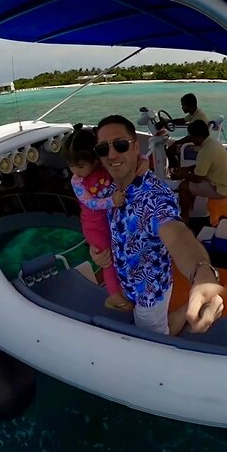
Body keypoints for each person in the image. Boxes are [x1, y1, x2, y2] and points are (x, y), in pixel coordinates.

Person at [89, 115, 224, 335]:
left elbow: (178, 236)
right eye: (103, 149)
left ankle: (177, 321)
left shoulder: (154, 197)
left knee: (156, 335)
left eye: (120, 145)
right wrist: (96, 251)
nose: (112, 154)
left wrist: (202, 275)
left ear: (135, 148)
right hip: (126, 283)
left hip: (149, 292)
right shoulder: (106, 191)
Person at [64, 125, 148, 312]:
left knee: (122, 254)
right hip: (95, 227)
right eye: (71, 166)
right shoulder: (77, 181)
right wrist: (112, 201)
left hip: (112, 222)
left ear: (94, 160)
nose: (75, 170)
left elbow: (130, 158)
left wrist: (143, 161)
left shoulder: (104, 166)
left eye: (79, 165)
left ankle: (125, 288)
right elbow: (90, 203)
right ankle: (114, 296)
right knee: (107, 260)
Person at [171, 119, 227, 222]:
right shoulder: (212, 142)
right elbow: (204, 165)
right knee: (189, 182)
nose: (191, 140)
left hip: (222, 189)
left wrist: (181, 175)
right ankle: (190, 212)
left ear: (199, 137)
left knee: (183, 186)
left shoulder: (205, 151)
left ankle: (184, 217)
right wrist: (187, 169)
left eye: (192, 137)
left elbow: (198, 178)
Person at [164, 93, 210, 170]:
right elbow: (183, 120)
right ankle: (176, 169)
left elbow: (191, 137)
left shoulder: (198, 118)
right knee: (174, 146)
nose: (182, 107)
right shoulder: (195, 113)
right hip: (197, 141)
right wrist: (169, 121)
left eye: (183, 105)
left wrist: (176, 143)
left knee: (170, 150)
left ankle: (176, 171)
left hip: (198, 146)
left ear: (190, 106)